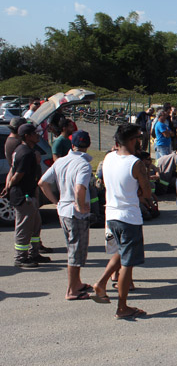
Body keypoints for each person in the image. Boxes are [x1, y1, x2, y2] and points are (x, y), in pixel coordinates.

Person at [92, 124, 152, 319]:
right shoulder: (135, 163)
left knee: (120, 252)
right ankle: (122, 306)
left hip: (111, 215)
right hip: (129, 217)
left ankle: (101, 283)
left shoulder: (109, 157)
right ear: (133, 140)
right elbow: (147, 192)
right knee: (128, 262)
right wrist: (142, 195)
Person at [39, 131, 93, 300]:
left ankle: (76, 283)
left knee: (73, 248)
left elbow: (43, 183)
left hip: (63, 210)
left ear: (72, 145)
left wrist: (56, 201)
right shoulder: (83, 164)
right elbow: (79, 188)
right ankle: (72, 290)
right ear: (87, 146)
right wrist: (79, 204)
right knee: (76, 252)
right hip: (75, 213)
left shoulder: (61, 161)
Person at [4, 124, 48, 268]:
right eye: (35, 133)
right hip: (24, 195)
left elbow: (12, 169)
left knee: (35, 225)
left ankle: (34, 253)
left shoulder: (23, 150)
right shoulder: (25, 153)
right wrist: (10, 185)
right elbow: (18, 174)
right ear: (27, 136)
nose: (38, 135)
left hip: (30, 194)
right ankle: (20, 258)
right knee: (24, 227)